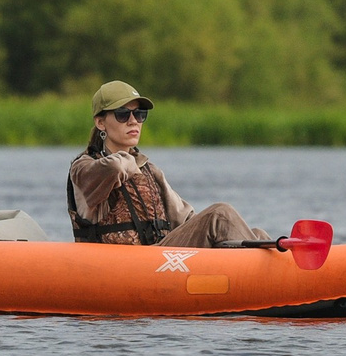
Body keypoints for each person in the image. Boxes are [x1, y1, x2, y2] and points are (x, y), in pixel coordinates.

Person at [67, 80, 269, 248]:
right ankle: (264, 282)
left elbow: (186, 219)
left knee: (254, 234)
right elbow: (114, 168)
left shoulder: (150, 170)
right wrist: (129, 161)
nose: (133, 121)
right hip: (122, 267)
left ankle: (282, 281)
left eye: (139, 114)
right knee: (220, 213)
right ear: (100, 122)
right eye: (122, 114)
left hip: (161, 262)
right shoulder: (84, 168)